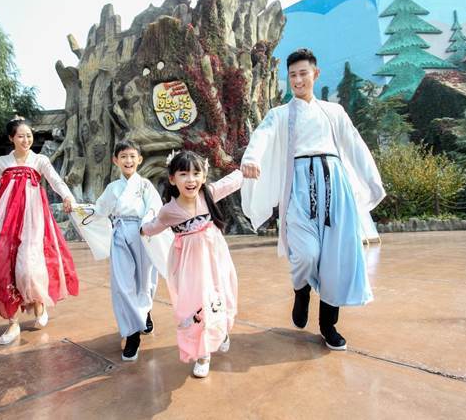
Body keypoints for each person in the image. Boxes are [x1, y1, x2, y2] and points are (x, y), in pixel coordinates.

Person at [240, 48, 386, 351]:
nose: (297, 80)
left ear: (315, 74)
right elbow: (262, 135)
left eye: (303, 73)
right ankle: (301, 289)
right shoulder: (280, 114)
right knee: (306, 253)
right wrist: (251, 158)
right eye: (292, 75)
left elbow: (355, 144)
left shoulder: (334, 112)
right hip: (299, 188)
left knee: (336, 258)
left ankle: (328, 325)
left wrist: (372, 181)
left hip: (335, 187)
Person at [0, 116, 79, 345]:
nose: (26, 140)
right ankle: (12, 323)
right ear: (11, 138)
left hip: (33, 222)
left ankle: (39, 303)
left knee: (29, 269)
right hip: (4, 222)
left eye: (29, 136)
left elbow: (56, 181)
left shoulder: (40, 160)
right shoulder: (2, 162)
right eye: (21, 136)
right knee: (4, 270)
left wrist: (68, 197)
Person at [141, 150, 243, 378]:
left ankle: (221, 331)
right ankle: (202, 354)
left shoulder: (208, 195)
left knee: (219, 297)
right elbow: (153, 227)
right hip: (188, 267)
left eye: (196, 173)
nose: (191, 180)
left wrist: (249, 166)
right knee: (195, 305)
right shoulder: (169, 210)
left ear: (204, 176)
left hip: (215, 261)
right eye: (184, 174)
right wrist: (141, 229)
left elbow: (232, 181)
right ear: (172, 179)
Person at [87, 140, 162, 361]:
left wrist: (147, 223)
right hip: (120, 234)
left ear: (139, 159)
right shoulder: (113, 188)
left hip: (143, 233)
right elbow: (99, 210)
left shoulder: (145, 185)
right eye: (123, 157)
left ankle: (144, 311)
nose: (128, 160)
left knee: (145, 280)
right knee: (122, 284)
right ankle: (132, 334)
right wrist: (77, 208)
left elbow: (154, 207)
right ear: (116, 160)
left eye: (132, 156)